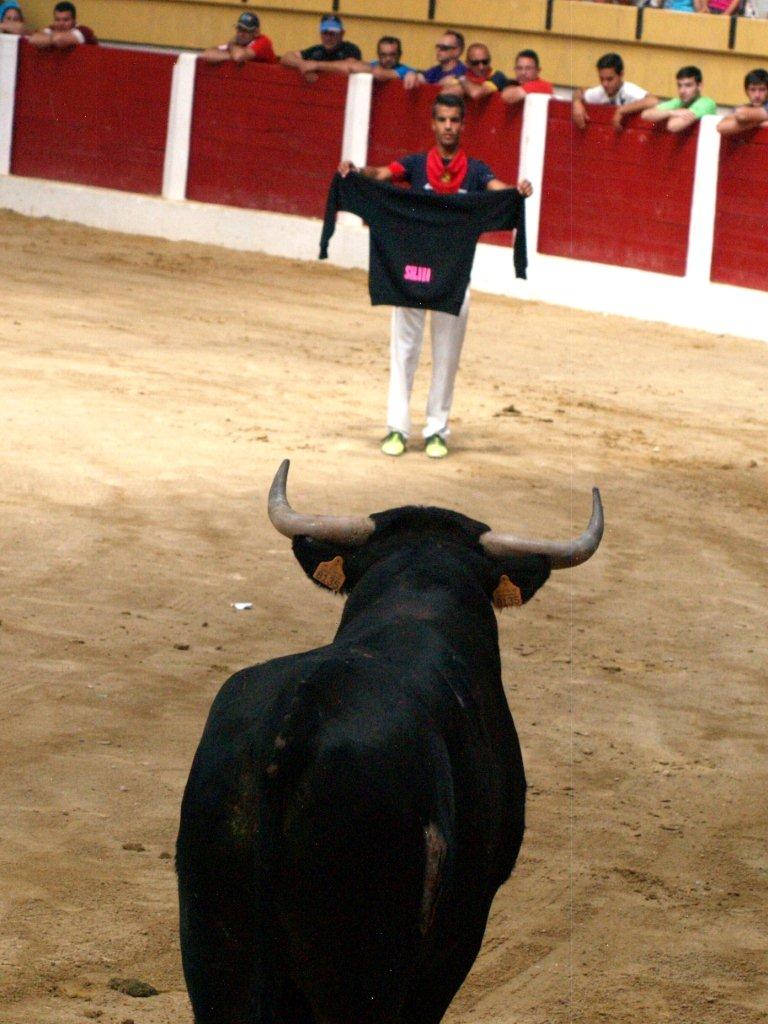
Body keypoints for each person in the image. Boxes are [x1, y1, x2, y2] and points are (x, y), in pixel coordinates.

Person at [338, 93, 532, 459]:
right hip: (410, 274)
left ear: (462, 124)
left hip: (453, 278)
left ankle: (436, 430)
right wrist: (356, 170)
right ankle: (397, 428)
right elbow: (381, 174)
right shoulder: (415, 165)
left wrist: (516, 191)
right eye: (442, 120)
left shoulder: (475, 171)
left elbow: (497, 191)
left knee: (446, 357)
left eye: (454, 120)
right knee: (404, 352)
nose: (448, 127)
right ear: (433, 123)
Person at [572, 52, 657, 131]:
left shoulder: (629, 90)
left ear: (621, 75)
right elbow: (580, 92)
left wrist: (622, 110)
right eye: (601, 79)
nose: (605, 84)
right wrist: (576, 102)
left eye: (610, 79)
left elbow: (652, 101)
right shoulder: (600, 91)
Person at [280, 13, 361, 83]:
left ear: (342, 34)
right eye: (324, 33)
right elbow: (286, 57)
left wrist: (316, 65)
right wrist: (301, 64)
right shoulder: (317, 50)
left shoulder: (350, 49)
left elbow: (350, 67)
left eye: (332, 33)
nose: (328, 38)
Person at [641, 66, 717, 133]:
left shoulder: (707, 103)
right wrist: (671, 113)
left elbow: (673, 126)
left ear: (699, 86)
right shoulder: (678, 101)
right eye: (679, 85)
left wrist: (669, 113)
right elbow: (645, 114)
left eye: (688, 85)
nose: (682, 91)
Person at [199, 12, 276, 66]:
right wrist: (231, 54)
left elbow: (238, 56)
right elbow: (206, 54)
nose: (240, 34)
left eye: (245, 30)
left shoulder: (263, 41)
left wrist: (231, 47)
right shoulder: (237, 44)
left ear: (256, 32)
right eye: (239, 29)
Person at [718, 68, 768, 136]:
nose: (757, 95)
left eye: (762, 90)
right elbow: (720, 127)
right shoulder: (746, 107)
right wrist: (759, 121)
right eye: (753, 90)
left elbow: (741, 114)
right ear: (746, 91)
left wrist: (743, 122)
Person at [27, 1, 96, 47]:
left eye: (66, 20)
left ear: (74, 20)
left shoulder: (84, 31)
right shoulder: (52, 28)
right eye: (57, 20)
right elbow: (33, 39)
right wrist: (53, 39)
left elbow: (60, 40)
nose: (61, 23)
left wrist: (46, 39)